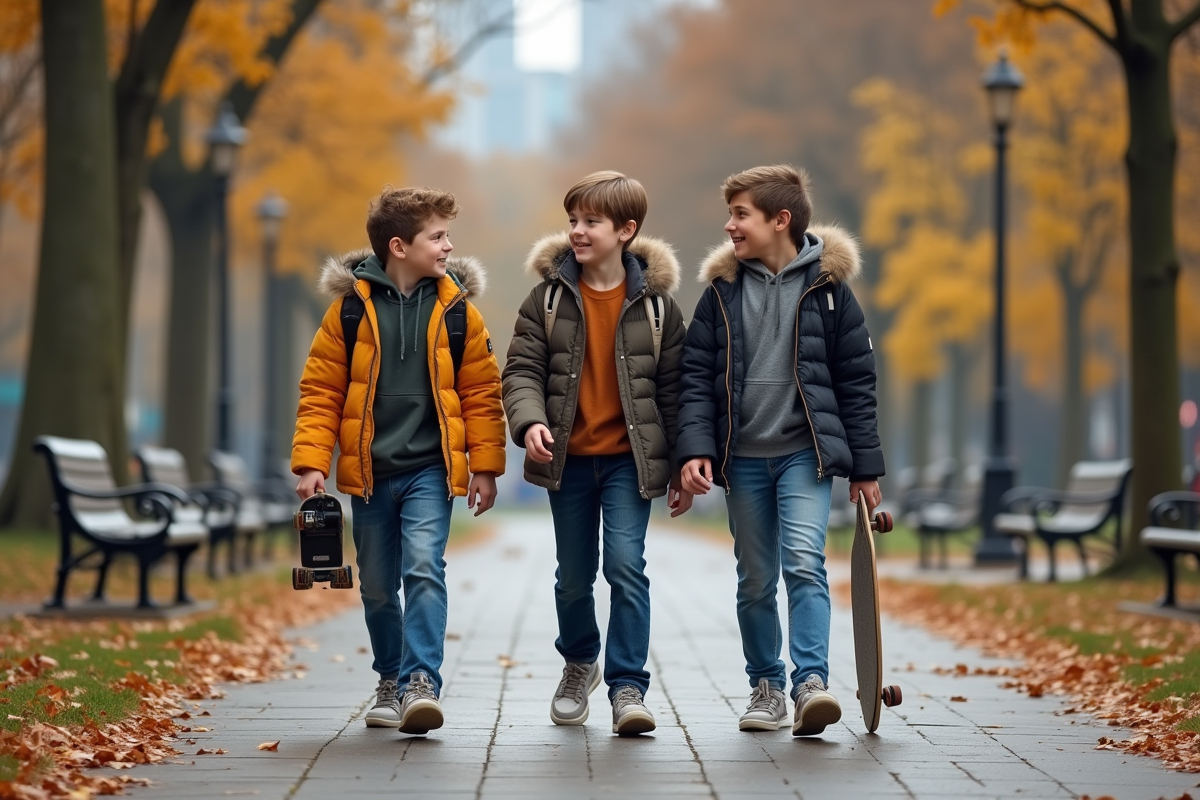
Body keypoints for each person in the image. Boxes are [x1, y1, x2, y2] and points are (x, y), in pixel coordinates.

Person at [677, 164, 885, 736]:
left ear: (780, 220)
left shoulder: (831, 293)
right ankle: (765, 687)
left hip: (804, 455)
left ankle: (810, 684)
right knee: (755, 577)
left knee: (804, 562)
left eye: (741, 214)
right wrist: (694, 450)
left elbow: (855, 384)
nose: (730, 226)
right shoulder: (720, 292)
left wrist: (865, 468)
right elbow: (696, 377)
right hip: (742, 457)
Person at [291, 186, 506, 734]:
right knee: (379, 585)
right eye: (437, 237)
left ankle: (421, 682)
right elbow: (321, 391)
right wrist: (312, 461)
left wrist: (484, 466)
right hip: (369, 475)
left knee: (424, 569)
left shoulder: (458, 312)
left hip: (429, 471)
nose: (448, 246)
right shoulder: (349, 312)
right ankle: (389, 677)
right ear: (399, 246)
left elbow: (482, 392)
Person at [502, 171, 691, 736]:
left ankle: (628, 685)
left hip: (630, 463)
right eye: (573, 221)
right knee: (573, 576)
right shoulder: (548, 300)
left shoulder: (659, 310)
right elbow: (522, 371)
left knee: (626, 567)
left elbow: (678, 392)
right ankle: (579, 661)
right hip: (570, 460)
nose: (576, 232)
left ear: (626, 231)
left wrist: (683, 462)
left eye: (590, 222)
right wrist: (530, 421)